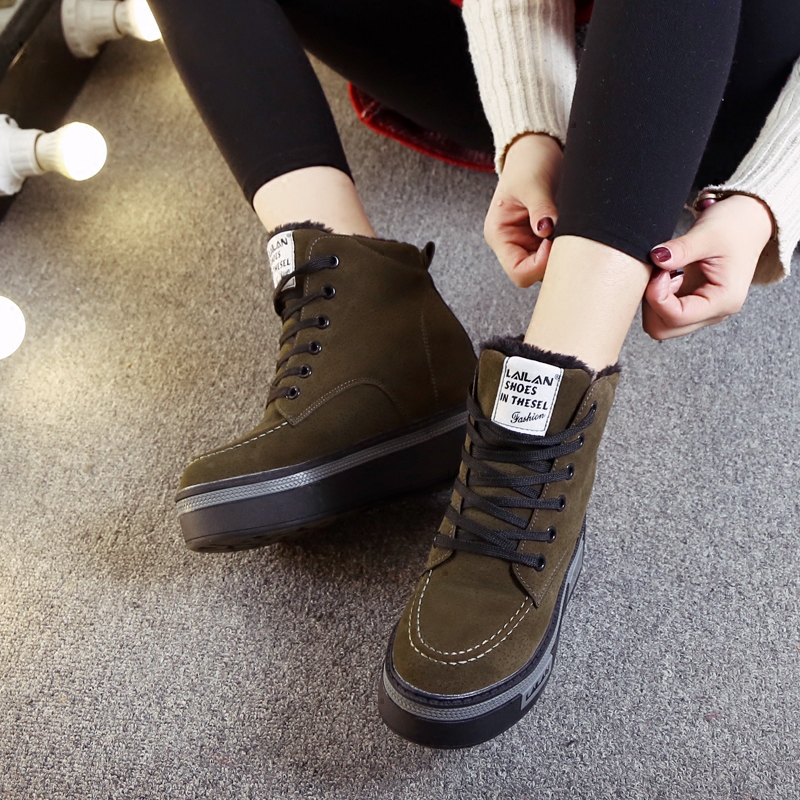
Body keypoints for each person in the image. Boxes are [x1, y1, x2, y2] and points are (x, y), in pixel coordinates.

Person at [149, 0, 800, 748]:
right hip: (540, 56)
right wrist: (529, 126)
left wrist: (765, 201)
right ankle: (362, 306)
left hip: (743, 80)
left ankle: (548, 403)